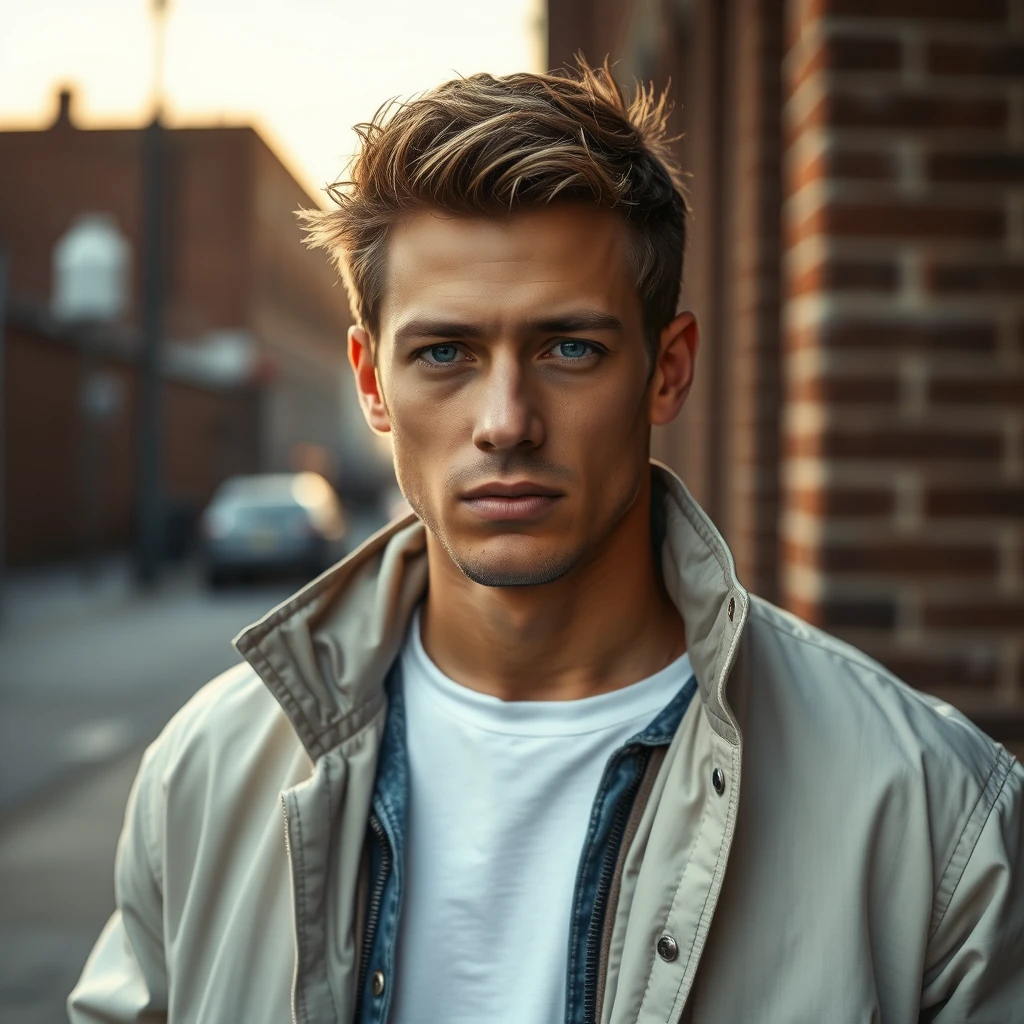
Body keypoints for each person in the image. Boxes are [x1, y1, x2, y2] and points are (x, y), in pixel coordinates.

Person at [69, 61, 1024, 1024]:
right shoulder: (205, 772)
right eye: (444, 352)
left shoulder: (933, 815)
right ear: (370, 380)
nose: (506, 421)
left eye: (570, 348)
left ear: (668, 369)